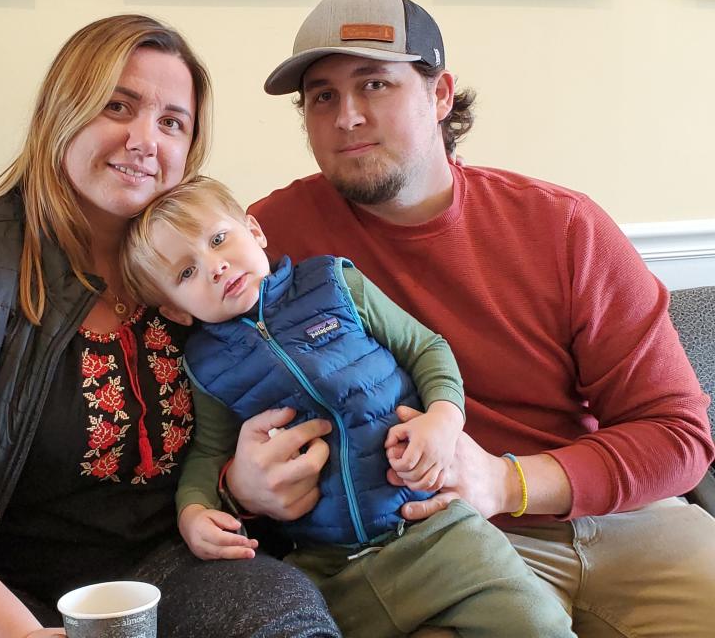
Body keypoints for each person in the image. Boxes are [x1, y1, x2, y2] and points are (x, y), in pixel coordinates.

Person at [0, 14, 340, 638]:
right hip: (8, 589)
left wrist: (240, 486)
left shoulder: (201, 271)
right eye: (116, 106)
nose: (143, 140)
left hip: (180, 566)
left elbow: (249, 425)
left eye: (171, 122)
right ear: (62, 112)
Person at [233, 0, 715, 636]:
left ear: (439, 95)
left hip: (627, 518)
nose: (346, 116)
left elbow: (678, 432)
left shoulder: (563, 227)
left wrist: (504, 481)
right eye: (322, 96)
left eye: (374, 85)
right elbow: (210, 404)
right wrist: (241, 485)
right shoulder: (266, 242)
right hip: (435, 546)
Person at [119, 176, 576, 637]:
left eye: (218, 239)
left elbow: (426, 349)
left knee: (538, 624)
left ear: (254, 231)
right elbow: (210, 451)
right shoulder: (204, 364)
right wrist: (193, 512)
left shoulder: (334, 283)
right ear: (175, 310)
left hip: (435, 531)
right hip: (326, 563)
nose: (214, 266)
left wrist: (443, 419)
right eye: (186, 273)